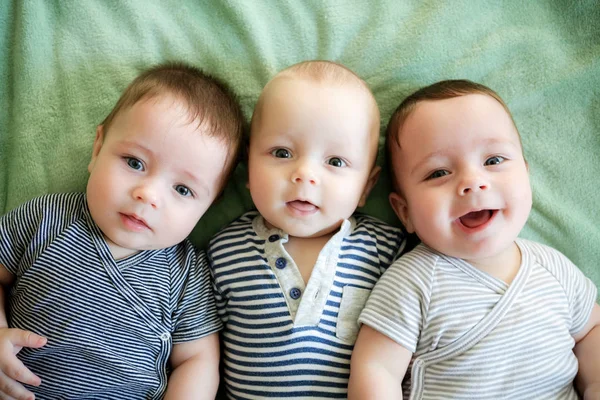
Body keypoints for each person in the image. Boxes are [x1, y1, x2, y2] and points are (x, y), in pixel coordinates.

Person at [0, 62, 244, 400]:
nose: (148, 195)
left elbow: (198, 359)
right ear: (97, 148)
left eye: (183, 190)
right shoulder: (46, 218)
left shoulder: (186, 272)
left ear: (208, 207)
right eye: (134, 163)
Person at [348, 79, 600, 399]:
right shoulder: (413, 282)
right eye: (438, 173)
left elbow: (591, 330)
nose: (472, 182)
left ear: (525, 174)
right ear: (404, 211)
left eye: (493, 160)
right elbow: (376, 369)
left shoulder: (555, 269)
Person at [207, 60, 406, 399]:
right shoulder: (223, 250)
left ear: (366, 187)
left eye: (335, 162)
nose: (305, 174)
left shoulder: (388, 250)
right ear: (247, 165)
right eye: (282, 153)